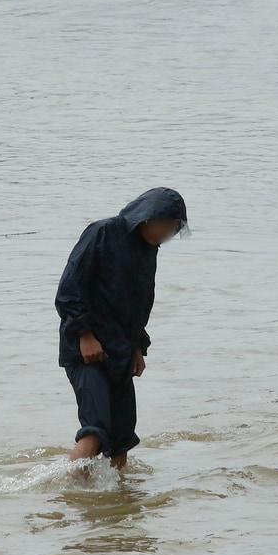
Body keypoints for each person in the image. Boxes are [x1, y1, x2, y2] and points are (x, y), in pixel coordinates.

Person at [55, 187, 189, 470]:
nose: (169, 235)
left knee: (122, 438)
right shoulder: (102, 233)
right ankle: (68, 496)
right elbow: (68, 291)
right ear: (150, 217)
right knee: (95, 431)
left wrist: (138, 348)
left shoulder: (148, 250)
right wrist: (85, 336)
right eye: (169, 227)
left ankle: (120, 502)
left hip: (121, 353)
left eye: (175, 230)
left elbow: (140, 303)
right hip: (86, 352)